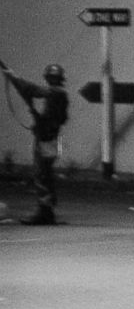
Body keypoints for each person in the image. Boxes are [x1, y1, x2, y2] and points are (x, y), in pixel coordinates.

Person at [1, 61, 70, 225]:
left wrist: (14, 77)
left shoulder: (56, 93)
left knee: (42, 174)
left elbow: (31, 90)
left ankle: (45, 212)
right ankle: (47, 210)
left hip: (47, 138)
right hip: (51, 137)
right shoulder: (59, 93)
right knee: (45, 173)